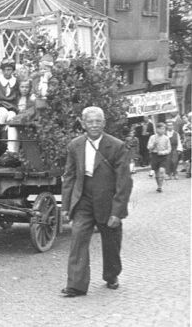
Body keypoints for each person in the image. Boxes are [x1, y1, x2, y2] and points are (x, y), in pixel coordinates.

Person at [60, 106, 133, 297]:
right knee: (78, 239)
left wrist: (117, 212)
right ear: (83, 124)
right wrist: (66, 206)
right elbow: (69, 176)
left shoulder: (116, 146)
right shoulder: (75, 145)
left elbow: (124, 182)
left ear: (104, 123)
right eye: (90, 122)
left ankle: (111, 275)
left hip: (108, 201)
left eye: (98, 121)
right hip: (83, 199)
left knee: (111, 242)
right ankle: (76, 284)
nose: (94, 125)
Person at [0, 77, 36, 165]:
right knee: (11, 118)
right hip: (15, 121)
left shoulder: (31, 99)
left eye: (26, 87)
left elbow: (31, 112)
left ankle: (13, 153)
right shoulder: (16, 98)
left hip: (25, 122)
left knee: (15, 126)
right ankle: (12, 152)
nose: (24, 89)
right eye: (22, 87)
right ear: (18, 88)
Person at [147, 122, 171, 192]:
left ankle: (160, 186)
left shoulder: (166, 138)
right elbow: (149, 147)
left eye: (164, 129)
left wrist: (162, 152)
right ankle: (158, 186)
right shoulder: (152, 137)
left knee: (161, 171)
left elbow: (169, 149)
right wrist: (154, 144)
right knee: (157, 174)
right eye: (161, 129)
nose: (163, 130)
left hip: (163, 156)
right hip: (154, 156)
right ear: (157, 129)